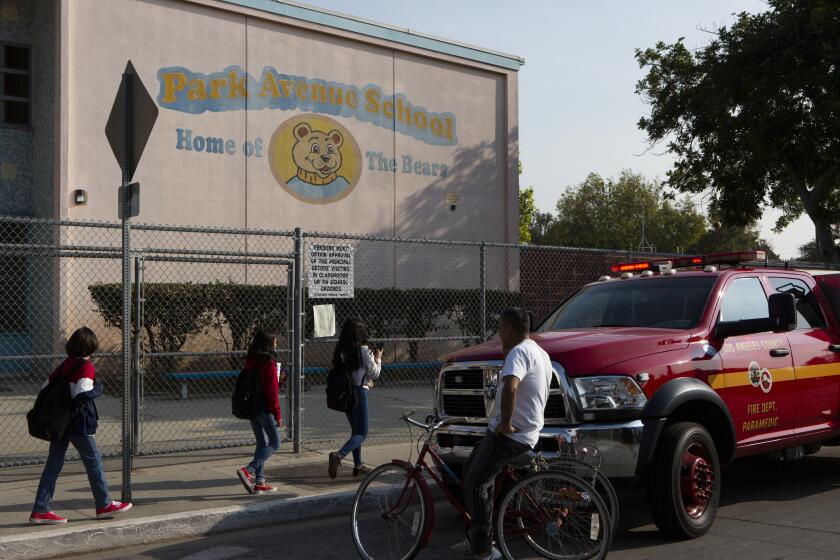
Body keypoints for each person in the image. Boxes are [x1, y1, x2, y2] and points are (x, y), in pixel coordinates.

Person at [458, 308, 552, 559]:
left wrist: (506, 424)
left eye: (501, 329)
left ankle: (483, 550)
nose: (499, 334)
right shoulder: (539, 352)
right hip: (524, 431)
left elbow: (511, 388)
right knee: (471, 468)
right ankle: (477, 533)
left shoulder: (519, 352)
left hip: (511, 434)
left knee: (476, 483)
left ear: (509, 329)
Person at [30, 327, 132, 525]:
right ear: (90, 347)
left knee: (53, 465)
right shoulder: (86, 366)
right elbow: (81, 394)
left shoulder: (64, 365)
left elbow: (44, 389)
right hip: (80, 425)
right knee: (94, 463)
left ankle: (40, 510)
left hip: (61, 424)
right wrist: (98, 388)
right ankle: (104, 505)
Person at [328, 318, 382, 479]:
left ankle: (358, 465)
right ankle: (339, 455)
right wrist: (378, 358)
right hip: (360, 392)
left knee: (355, 431)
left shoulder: (342, 350)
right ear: (361, 332)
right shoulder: (364, 350)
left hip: (346, 392)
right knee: (362, 433)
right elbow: (374, 373)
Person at [236, 329, 284, 495]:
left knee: (261, 443)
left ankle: (260, 482)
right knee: (275, 443)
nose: (276, 345)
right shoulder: (269, 363)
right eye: (274, 342)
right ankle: (248, 470)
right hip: (264, 408)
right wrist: (277, 415)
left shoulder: (251, 360)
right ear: (268, 344)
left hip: (252, 408)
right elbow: (272, 393)